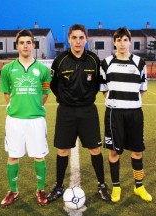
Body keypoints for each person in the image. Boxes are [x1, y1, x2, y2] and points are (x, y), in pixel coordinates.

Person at [47, 24, 111, 203]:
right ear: (69, 39)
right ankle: (59, 187)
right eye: (74, 38)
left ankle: (102, 185)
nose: (78, 41)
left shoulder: (93, 60)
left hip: (88, 111)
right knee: (63, 150)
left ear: (86, 39)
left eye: (81, 38)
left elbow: (99, 83)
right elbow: (53, 84)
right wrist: (64, 98)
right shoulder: (59, 60)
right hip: (66, 112)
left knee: (95, 148)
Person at [0, 29, 52, 207]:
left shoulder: (43, 70)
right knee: (13, 156)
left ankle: (40, 189)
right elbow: (7, 94)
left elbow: (45, 93)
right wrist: (18, 107)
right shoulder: (8, 69)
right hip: (14, 120)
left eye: (28, 42)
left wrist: (34, 106)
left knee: (39, 156)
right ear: (17, 45)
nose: (25, 45)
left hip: (36, 120)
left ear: (33, 45)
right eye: (22, 42)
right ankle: (13, 190)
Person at [100, 27, 152, 203]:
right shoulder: (106, 63)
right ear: (114, 42)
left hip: (135, 113)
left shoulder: (140, 63)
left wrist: (131, 102)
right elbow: (103, 89)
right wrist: (116, 101)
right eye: (118, 40)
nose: (122, 43)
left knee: (137, 151)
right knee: (114, 151)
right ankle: (116, 187)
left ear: (129, 41)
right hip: (114, 113)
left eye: (125, 40)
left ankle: (139, 186)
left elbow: (142, 89)